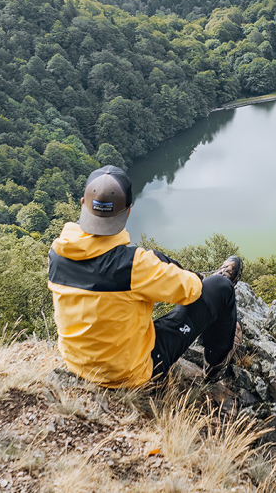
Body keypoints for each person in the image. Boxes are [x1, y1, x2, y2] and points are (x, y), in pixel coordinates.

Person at [46, 165, 243, 388]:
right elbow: (191, 291)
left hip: (78, 364)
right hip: (128, 373)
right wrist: (190, 275)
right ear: (128, 210)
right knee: (220, 286)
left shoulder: (58, 252)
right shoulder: (135, 265)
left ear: (83, 203)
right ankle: (217, 363)